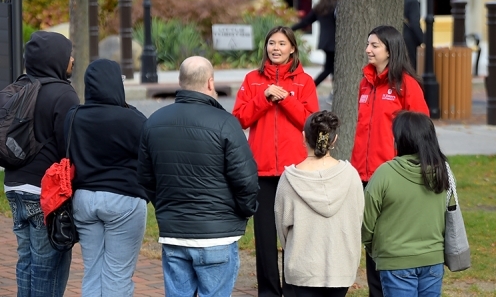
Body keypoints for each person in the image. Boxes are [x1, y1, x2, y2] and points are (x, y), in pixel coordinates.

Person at [138, 56, 259, 297]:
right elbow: (245, 180)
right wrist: (245, 210)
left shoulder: (154, 122)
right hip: (217, 235)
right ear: (210, 82)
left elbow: (146, 178)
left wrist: (165, 206)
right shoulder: (226, 123)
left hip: (175, 234)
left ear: (180, 81)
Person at [232, 26, 319, 297]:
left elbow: (311, 122)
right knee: (265, 239)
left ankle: (294, 289)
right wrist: (264, 97)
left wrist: (286, 99)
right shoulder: (252, 80)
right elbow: (238, 120)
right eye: (272, 43)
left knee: (296, 234)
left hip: (296, 171)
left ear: (292, 48)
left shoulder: (305, 82)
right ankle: (269, 291)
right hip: (261, 170)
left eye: (282, 43)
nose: (276, 48)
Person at [350, 25, 430, 297]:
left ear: (390, 49)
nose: (368, 50)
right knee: (371, 243)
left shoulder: (407, 85)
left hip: (393, 177)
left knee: (389, 244)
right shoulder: (365, 82)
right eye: (368, 44)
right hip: (363, 176)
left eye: (374, 45)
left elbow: (422, 131)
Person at [3, 31, 79, 297]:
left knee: (26, 262)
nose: (72, 59)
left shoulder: (16, 89)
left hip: (13, 187)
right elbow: (71, 147)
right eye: (69, 54)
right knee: (49, 267)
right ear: (56, 57)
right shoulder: (64, 94)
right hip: (45, 195)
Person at [65, 59, 148, 296]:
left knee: (93, 271)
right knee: (118, 274)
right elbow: (148, 159)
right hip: (124, 200)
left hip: (83, 200)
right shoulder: (133, 119)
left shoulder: (73, 116)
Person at [362, 111, 452, 297]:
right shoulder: (443, 172)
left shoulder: (385, 174)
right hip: (433, 259)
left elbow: (366, 223)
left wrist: (375, 249)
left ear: (401, 139)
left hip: (395, 260)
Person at [274, 111, 364, 297]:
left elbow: (282, 230)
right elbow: (357, 219)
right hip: (341, 267)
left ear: (304, 137)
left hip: (302, 268)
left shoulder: (289, 180)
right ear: (334, 139)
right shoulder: (351, 176)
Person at [292, 0, 338, 87]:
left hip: (326, 42)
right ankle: (311, 86)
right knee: (329, 69)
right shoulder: (336, 7)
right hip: (334, 43)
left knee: (333, 69)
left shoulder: (320, 7)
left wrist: (291, 28)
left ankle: (334, 91)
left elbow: (306, 22)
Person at [403, 0, 424, 71]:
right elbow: (415, 23)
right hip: (409, 37)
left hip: (399, 34)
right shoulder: (413, 0)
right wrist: (422, 39)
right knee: (412, 65)